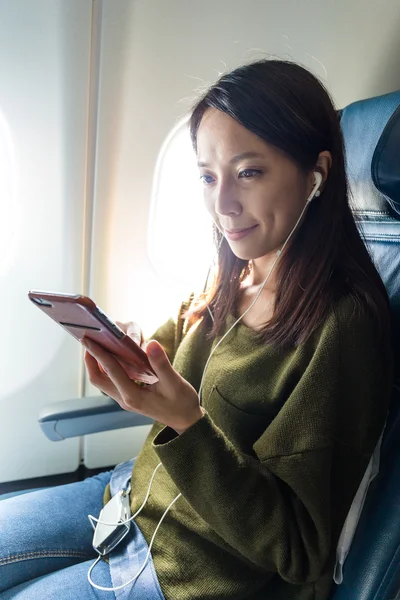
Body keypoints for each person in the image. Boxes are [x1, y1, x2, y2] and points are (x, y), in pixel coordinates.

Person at [0, 59, 393, 600]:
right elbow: (170, 356)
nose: (223, 205)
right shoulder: (233, 267)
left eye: (249, 172)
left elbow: (299, 550)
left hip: (196, 570)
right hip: (131, 497)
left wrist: (186, 422)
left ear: (316, 173)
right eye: (208, 176)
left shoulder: (339, 327)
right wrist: (130, 350)